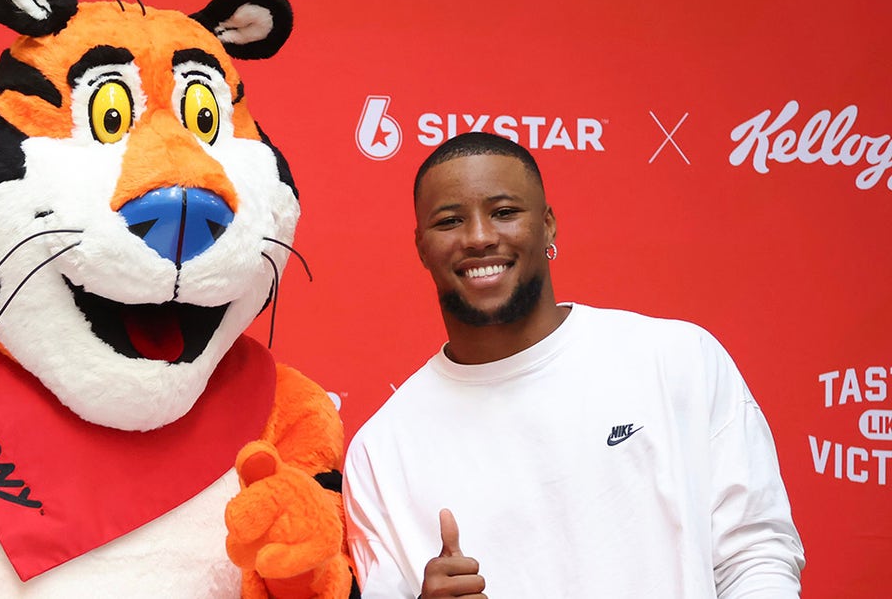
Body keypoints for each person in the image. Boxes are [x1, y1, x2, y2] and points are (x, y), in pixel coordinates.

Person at [342, 132, 805, 598]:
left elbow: (756, 556)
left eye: (504, 212)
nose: (480, 237)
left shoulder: (677, 359)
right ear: (422, 247)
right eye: (450, 221)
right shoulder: (380, 451)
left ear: (548, 226)